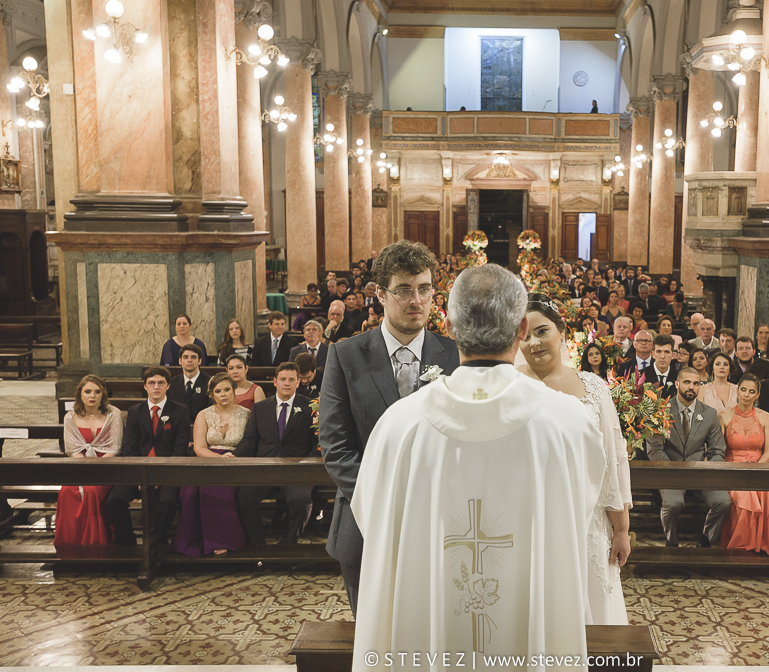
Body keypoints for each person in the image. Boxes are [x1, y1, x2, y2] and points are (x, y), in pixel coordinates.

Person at [351, 265, 606, 665]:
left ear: (449, 326)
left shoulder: (398, 426)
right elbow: (580, 510)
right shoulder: (569, 423)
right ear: (522, 329)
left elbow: (373, 520)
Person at [319, 240, 461, 615]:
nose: (416, 300)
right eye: (403, 290)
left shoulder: (455, 355)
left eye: (425, 289)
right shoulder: (345, 356)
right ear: (380, 294)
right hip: (365, 523)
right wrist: (384, 499)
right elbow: (336, 447)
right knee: (373, 639)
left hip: (440, 524)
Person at [518, 292, 631, 624]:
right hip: (527, 518)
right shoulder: (508, 387)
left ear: (562, 332)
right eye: (524, 335)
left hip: (587, 520)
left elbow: (613, 459)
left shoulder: (593, 388)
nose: (533, 343)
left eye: (542, 331)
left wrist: (621, 528)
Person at [106, 367, 191, 546]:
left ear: (168, 385)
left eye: (161, 383)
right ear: (145, 386)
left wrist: (159, 475)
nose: (156, 387)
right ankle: (126, 543)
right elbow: (130, 448)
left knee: (168, 502)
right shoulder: (135, 411)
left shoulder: (180, 411)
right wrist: (141, 474)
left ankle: (155, 541)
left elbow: (179, 450)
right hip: (138, 470)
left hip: (167, 472)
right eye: (151, 383)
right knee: (114, 500)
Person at [235, 362, 318, 545]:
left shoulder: (311, 406)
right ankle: (258, 545)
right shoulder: (261, 408)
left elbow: (317, 442)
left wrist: (308, 463)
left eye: (291, 380)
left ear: (298, 383)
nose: (286, 383)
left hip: (296, 470)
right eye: (282, 379)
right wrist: (234, 456)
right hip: (265, 468)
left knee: (301, 500)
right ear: (275, 382)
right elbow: (250, 440)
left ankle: (288, 544)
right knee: (244, 496)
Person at [646, 368, 730, 547]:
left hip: (700, 473)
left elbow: (717, 450)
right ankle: (672, 543)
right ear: (677, 384)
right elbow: (654, 450)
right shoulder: (661, 411)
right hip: (670, 473)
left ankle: (707, 539)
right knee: (673, 504)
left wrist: (708, 470)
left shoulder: (709, 413)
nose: (691, 387)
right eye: (687, 382)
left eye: (696, 383)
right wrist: (674, 472)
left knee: (723, 502)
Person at [174, 373, 249, 557]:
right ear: (212, 394)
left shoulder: (247, 414)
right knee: (191, 489)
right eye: (218, 391)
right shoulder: (203, 415)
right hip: (207, 458)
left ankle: (222, 539)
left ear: (234, 391)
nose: (223, 394)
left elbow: (250, 443)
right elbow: (199, 447)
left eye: (226, 390)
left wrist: (232, 459)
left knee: (219, 488)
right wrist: (219, 459)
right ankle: (196, 540)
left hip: (235, 460)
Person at [718, 374, 769, 559]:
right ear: (737, 391)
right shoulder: (723, 416)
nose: (746, 395)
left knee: (764, 492)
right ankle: (740, 545)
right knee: (743, 494)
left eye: (751, 391)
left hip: (759, 468)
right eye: (743, 390)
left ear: (757, 395)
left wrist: (755, 469)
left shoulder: (766, 417)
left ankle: (760, 543)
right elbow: (719, 450)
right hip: (732, 469)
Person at [55, 375, 122, 546]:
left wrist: (97, 468)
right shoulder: (70, 417)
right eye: (88, 391)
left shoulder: (113, 414)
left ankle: (95, 542)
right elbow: (71, 449)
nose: (92, 396)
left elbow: (115, 447)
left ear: (103, 394)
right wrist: (85, 470)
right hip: (80, 467)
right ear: (80, 394)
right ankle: (70, 543)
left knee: (92, 491)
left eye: (97, 392)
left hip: (107, 467)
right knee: (66, 491)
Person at [168, 343, 211, 425]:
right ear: (180, 361)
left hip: (203, 426)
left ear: (200, 361)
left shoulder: (210, 382)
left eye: (193, 357)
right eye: (185, 357)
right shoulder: (172, 383)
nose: (189, 360)